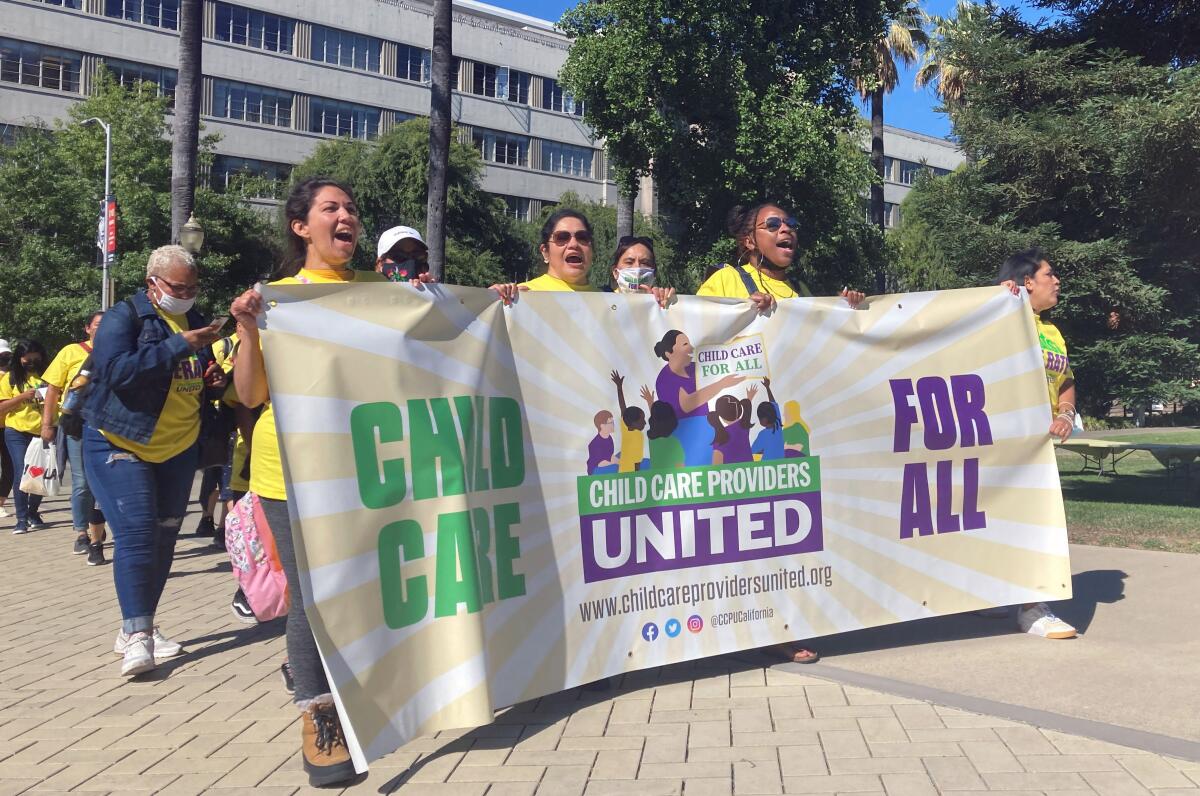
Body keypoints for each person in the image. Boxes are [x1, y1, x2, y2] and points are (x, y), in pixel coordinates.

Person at [230, 178, 435, 787]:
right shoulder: (279, 299)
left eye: (351, 208)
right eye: (331, 209)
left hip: (370, 468)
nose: (346, 216)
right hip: (290, 472)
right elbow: (249, 395)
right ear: (301, 226)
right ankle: (319, 718)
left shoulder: (382, 291)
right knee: (312, 599)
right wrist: (246, 330)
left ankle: (367, 691)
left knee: (365, 588)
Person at [82, 245, 227, 677]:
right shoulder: (122, 318)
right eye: (178, 287)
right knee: (138, 534)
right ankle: (138, 634)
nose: (187, 295)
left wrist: (213, 379)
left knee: (165, 536)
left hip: (178, 446)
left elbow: (196, 377)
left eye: (193, 288)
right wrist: (178, 345)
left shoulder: (197, 320)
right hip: (120, 441)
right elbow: (116, 371)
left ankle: (138, 626)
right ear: (153, 284)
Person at [992, 247, 1079, 640]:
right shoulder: (1001, 318)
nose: (1057, 280)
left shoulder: (1052, 331)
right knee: (1020, 523)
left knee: (1033, 523)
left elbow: (1066, 381)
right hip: (1001, 444)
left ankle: (1027, 602)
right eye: (1049, 274)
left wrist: (1064, 412)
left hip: (1037, 446)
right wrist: (995, 299)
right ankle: (1030, 608)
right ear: (1027, 282)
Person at [697, 203, 864, 311]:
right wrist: (743, 312)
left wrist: (846, 309)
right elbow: (696, 329)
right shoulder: (726, 279)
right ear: (750, 241)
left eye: (790, 223)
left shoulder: (802, 289)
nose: (786, 228)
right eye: (773, 225)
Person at [490, 210, 674, 307]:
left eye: (582, 238)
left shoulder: (611, 302)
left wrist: (660, 306)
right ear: (545, 252)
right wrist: (489, 300)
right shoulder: (520, 296)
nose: (573, 244)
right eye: (562, 237)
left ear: (591, 250)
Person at [40, 311, 108, 562]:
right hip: (77, 425)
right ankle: (81, 531)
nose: (102, 329)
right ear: (87, 328)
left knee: (105, 481)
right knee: (82, 482)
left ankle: (98, 530)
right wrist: (47, 424)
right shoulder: (70, 352)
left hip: (109, 426)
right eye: (97, 325)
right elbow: (53, 390)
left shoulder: (121, 348)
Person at [652, 330, 744, 467]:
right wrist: (721, 384)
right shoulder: (665, 378)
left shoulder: (693, 367)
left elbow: (717, 366)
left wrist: (735, 347)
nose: (691, 348)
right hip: (684, 435)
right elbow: (686, 404)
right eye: (685, 344)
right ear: (668, 353)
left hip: (707, 429)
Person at [0, 340, 50, 534]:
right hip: (17, 431)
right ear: (19, 358)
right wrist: (24, 396)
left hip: (42, 431)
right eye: (26, 358)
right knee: (22, 471)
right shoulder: (10, 378)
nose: (31, 361)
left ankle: (32, 512)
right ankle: (21, 519)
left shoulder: (47, 375)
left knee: (38, 472)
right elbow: (2, 406)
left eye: (35, 358)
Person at [607, 236, 676, 305]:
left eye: (645, 263)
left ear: (654, 273)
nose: (637, 268)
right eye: (629, 262)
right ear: (615, 272)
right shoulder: (601, 303)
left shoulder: (658, 302)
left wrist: (661, 307)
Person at [0, 340, 14, 519]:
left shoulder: (12, 375)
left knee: (9, 466)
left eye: (5, 356)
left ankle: (1, 502)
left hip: (7, 426)